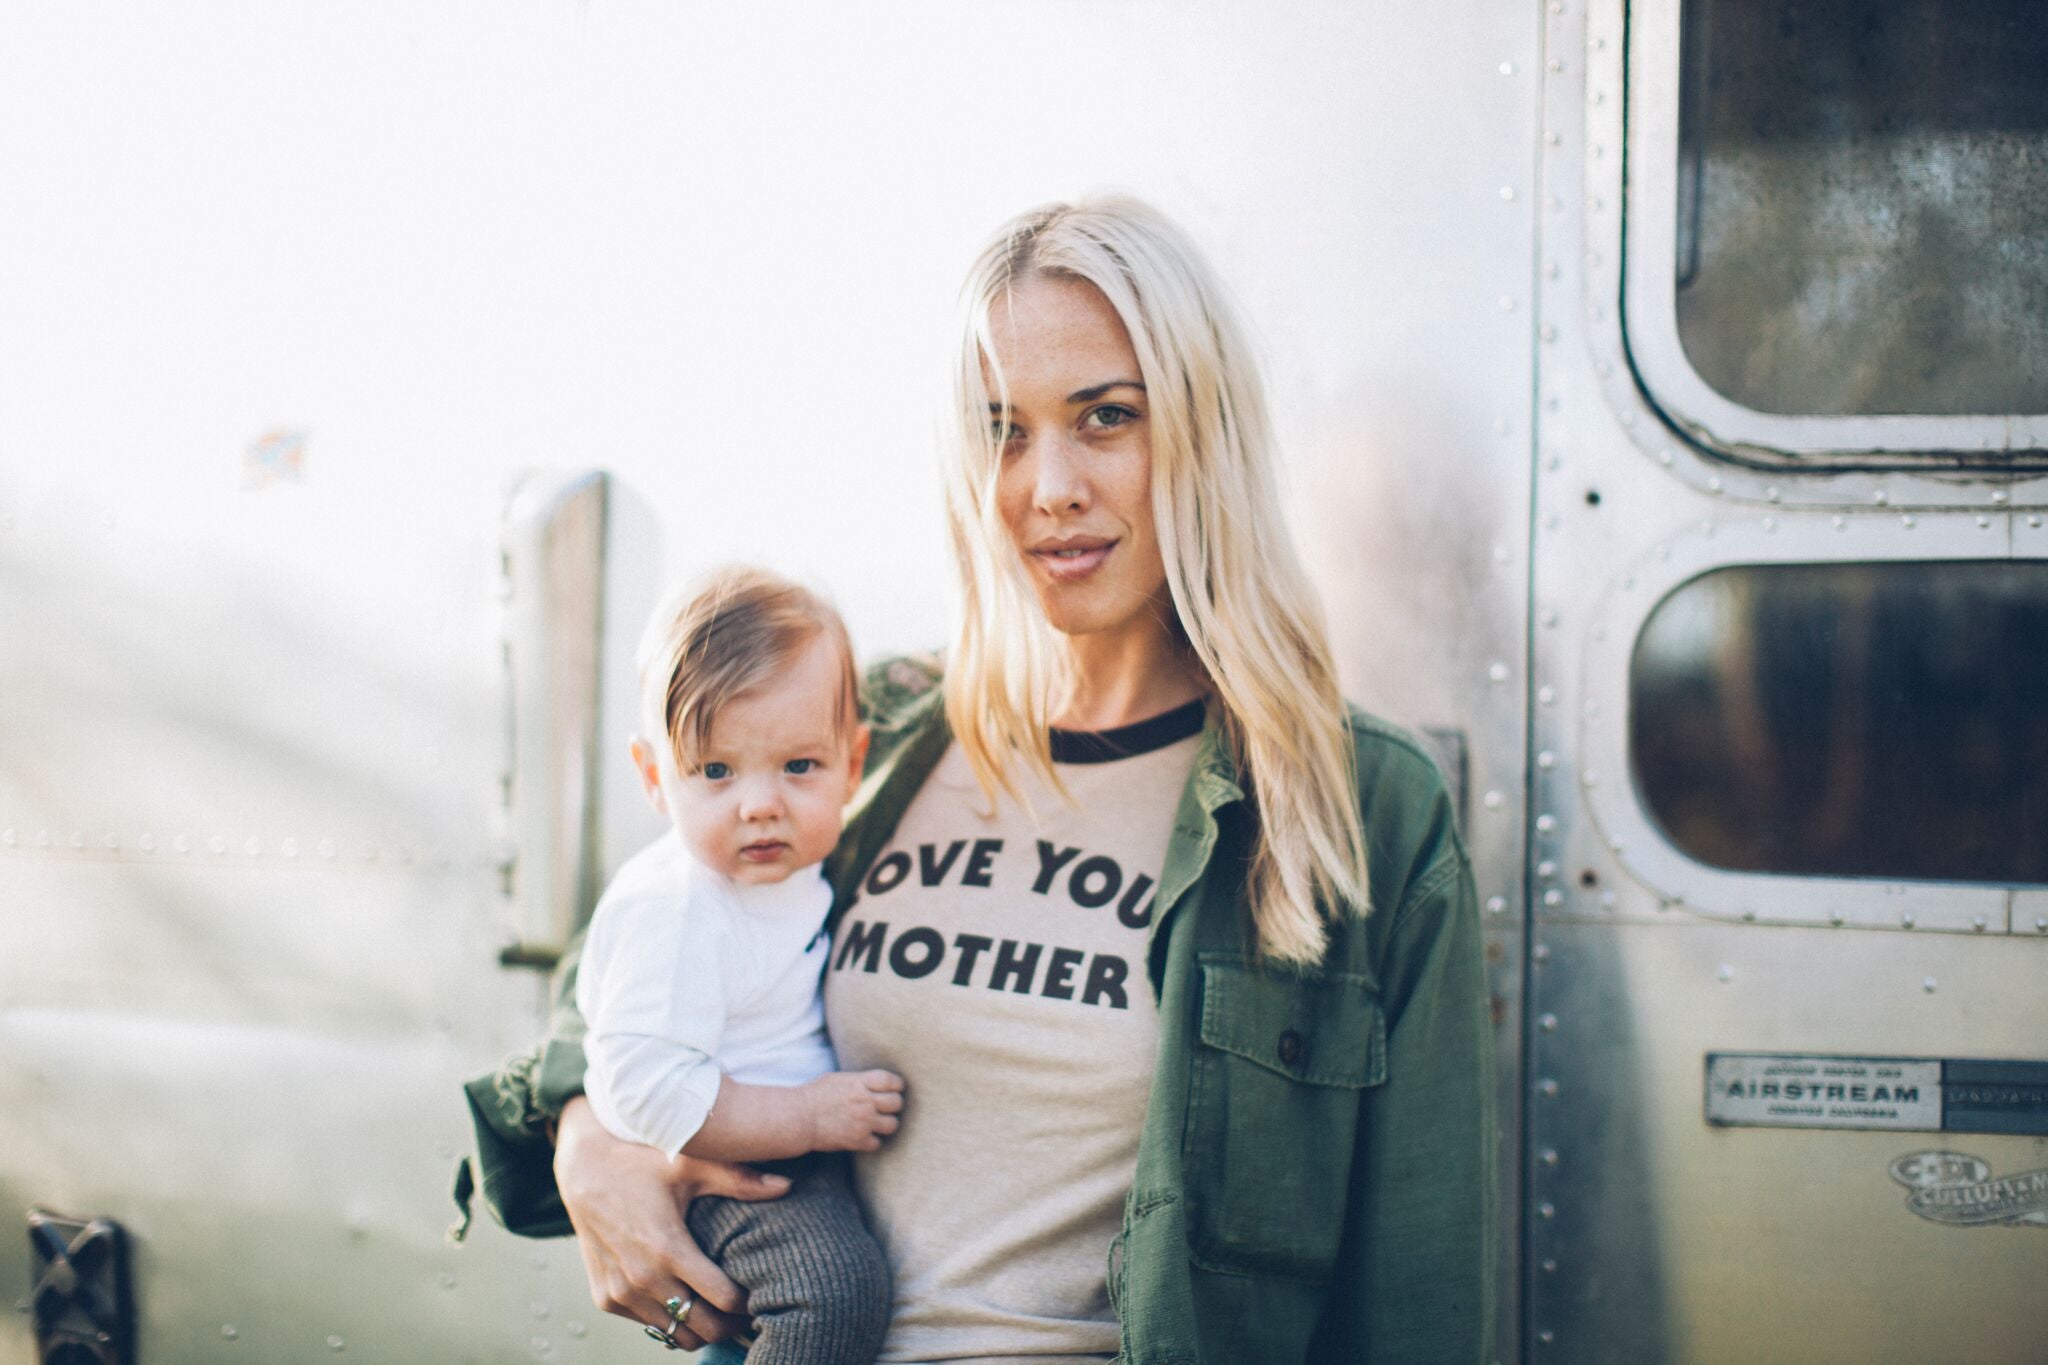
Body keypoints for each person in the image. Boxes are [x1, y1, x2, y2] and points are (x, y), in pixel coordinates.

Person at [460, 195, 1495, 1363]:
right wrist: (587, 1130)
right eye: (1001, 429)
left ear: (1201, 432)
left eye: (1105, 418)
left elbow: (1421, 1296)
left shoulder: (1358, 807)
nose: (1044, 486)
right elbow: (649, 938)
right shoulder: (877, 736)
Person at [570, 566, 897, 1359]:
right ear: (656, 776)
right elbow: (642, 1084)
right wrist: (809, 1116)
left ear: (852, 764)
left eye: (799, 767)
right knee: (830, 1290)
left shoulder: (794, 867)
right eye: (716, 770)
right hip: (721, 1161)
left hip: (772, 1138)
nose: (760, 803)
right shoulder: (677, 906)